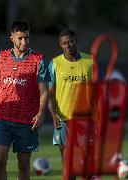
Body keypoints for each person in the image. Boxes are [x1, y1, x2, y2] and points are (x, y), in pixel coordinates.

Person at [0, 20, 50, 180]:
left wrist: (41, 113)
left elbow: (44, 91)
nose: (24, 42)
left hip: (27, 120)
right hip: (2, 119)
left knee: (24, 166)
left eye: (26, 37)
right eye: (20, 38)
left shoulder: (38, 60)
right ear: (12, 37)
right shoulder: (1, 58)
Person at [48, 29, 93, 164]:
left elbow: (99, 90)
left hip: (85, 117)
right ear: (60, 45)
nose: (68, 45)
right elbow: (50, 93)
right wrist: (53, 115)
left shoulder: (90, 61)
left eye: (71, 41)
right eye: (64, 43)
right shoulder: (55, 64)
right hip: (63, 118)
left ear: (76, 41)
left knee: (86, 160)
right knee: (67, 161)